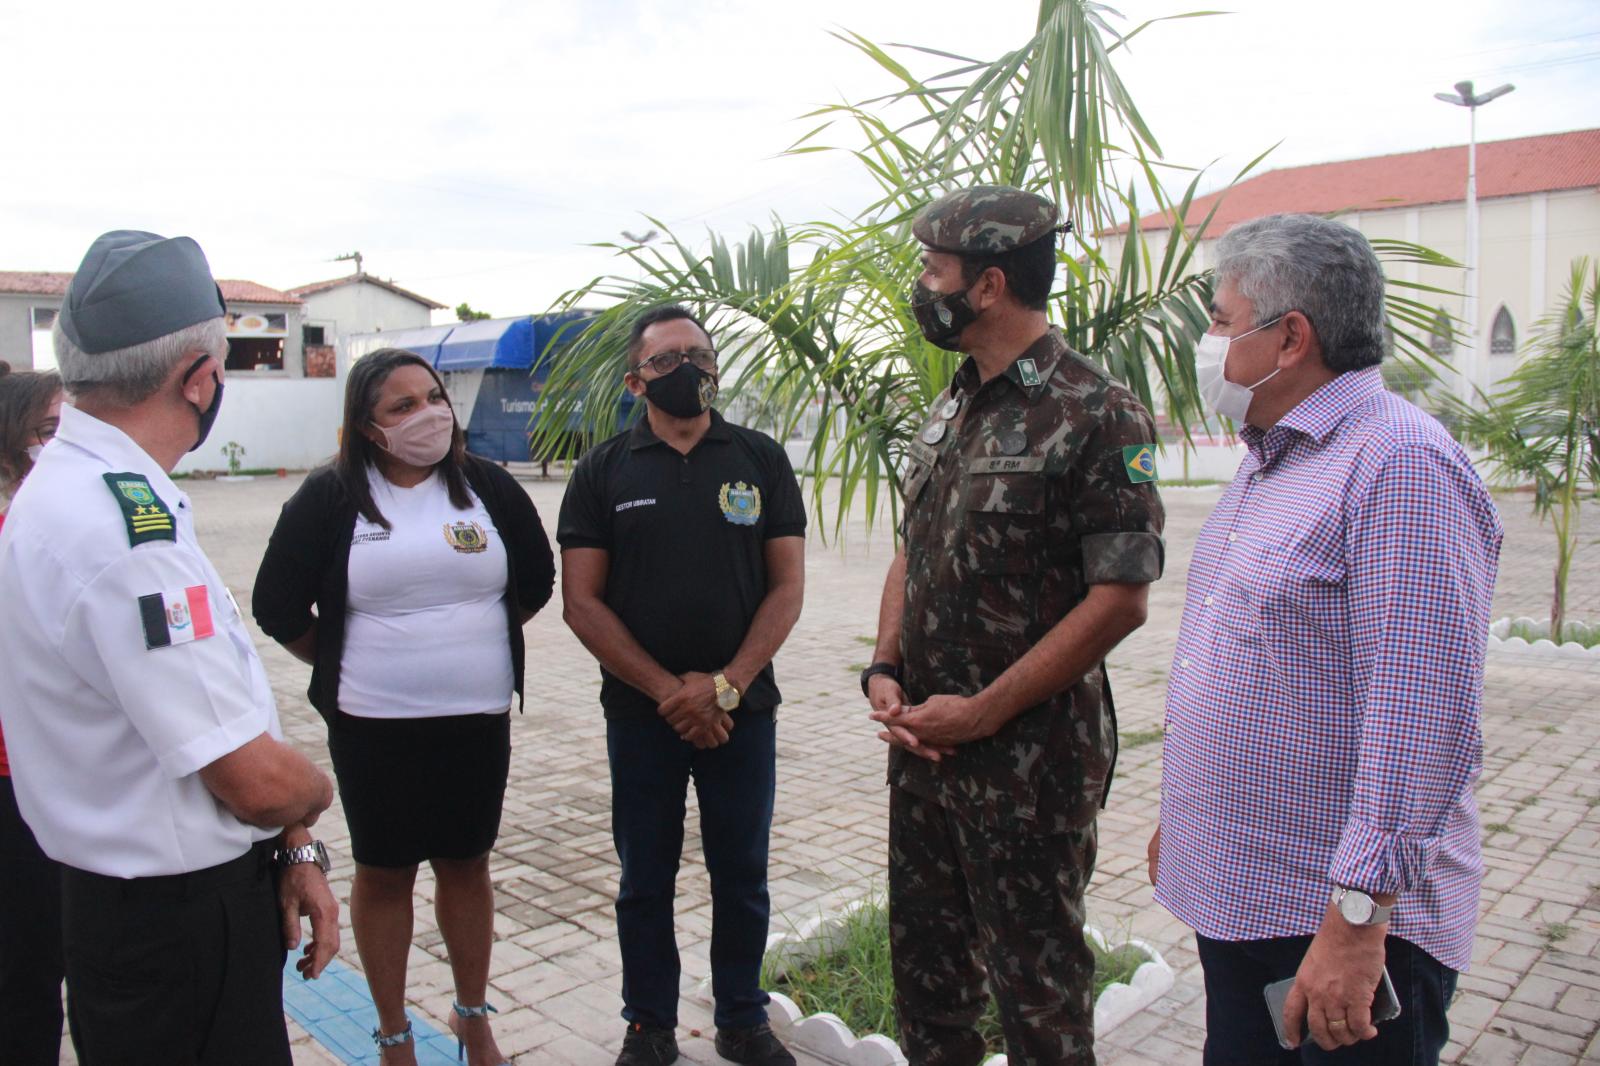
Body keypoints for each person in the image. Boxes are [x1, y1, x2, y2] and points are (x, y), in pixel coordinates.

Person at [1147, 212, 1503, 1064]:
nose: (1211, 343)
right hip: (1248, 896)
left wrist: (1357, 923)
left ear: (1290, 337)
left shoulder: (1398, 464)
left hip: (1336, 928)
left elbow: (1420, 712)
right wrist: (1190, 820)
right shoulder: (1277, 457)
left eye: (1225, 322)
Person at [0, 230, 338, 1066]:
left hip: (139, 909)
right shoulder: (122, 528)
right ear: (198, 378)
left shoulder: (76, 487)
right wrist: (315, 792)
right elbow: (251, 780)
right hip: (179, 927)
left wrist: (292, 846)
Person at [863, 185, 1165, 1066]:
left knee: (1040, 1003)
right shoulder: (953, 403)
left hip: (1030, 769)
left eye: (934, 269)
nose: (923, 284)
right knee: (928, 989)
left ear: (989, 285)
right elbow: (911, 549)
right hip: (925, 750)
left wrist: (984, 711)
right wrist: (884, 666)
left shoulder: (1096, 411)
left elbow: (1121, 599)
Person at [253, 347, 555, 1065]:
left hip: (475, 723)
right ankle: (393, 1032)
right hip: (373, 728)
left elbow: (536, 580)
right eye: (403, 406)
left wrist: (466, 639)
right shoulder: (330, 498)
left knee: (466, 862)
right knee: (386, 873)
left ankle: (473, 1014)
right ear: (367, 426)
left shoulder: (485, 486)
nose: (429, 415)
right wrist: (350, 658)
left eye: (433, 397)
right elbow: (277, 605)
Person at [557, 304, 806, 1066]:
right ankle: (649, 1024)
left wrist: (725, 687)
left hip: (742, 713)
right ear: (636, 381)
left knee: (743, 874)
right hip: (642, 716)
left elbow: (787, 588)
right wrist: (673, 692)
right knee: (644, 878)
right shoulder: (603, 470)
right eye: (667, 361)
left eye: (700, 355)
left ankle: (741, 1017)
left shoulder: (760, 459)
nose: (688, 370)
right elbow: (580, 602)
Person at [0, 363, 66, 1064]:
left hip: (75, 778)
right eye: (49, 431)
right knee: (26, 975)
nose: (62, 446)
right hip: (13, 783)